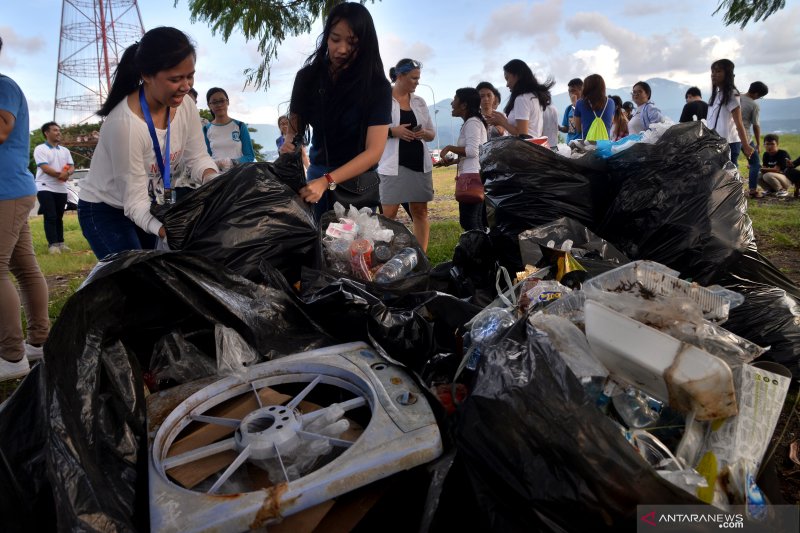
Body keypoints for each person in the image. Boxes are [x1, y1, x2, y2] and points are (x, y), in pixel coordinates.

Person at [78, 27, 218, 260]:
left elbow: (197, 158)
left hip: (149, 204)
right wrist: (174, 233)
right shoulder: (124, 125)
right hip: (106, 209)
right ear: (146, 75)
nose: (186, 86)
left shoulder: (185, 105)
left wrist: (216, 185)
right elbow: (134, 203)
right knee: (138, 279)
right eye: (175, 79)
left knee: (158, 275)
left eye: (190, 76)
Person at [280, 2, 392, 222]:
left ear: (365, 44)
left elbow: (374, 151)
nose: (341, 49)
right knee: (317, 244)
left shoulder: (377, 86)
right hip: (317, 175)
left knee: (357, 250)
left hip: (359, 183)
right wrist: (289, 144)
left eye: (352, 42)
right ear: (326, 38)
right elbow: (294, 130)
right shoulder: (307, 78)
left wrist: (327, 180)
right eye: (335, 39)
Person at [0, 35, 49, 381]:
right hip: (12, 190)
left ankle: (10, 355)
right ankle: (38, 343)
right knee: (25, 268)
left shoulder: (3, 86)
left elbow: (2, 129)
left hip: (5, 192)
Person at [378, 58, 435, 251]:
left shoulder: (419, 102)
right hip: (392, 165)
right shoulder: (382, 99)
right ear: (400, 76)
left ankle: (421, 257)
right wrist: (393, 132)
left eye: (418, 78)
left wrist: (424, 133)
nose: (417, 82)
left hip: (419, 163)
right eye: (414, 78)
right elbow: (370, 131)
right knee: (388, 216)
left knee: (420, 212)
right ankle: (383, 256)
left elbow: (431, 134)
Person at [438, 88, 488, 231]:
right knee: (475, 221)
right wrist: (452, 161)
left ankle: (478, 252)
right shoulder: (473, 122)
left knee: (470, 222)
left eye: (455, 100)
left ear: (464, 105)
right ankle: (481, 251)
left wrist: (449, 147)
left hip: (472, 178)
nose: (452, 104)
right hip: (474, 173)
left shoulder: (472, 122)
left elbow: (473, 151)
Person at [33, 121, 75, 254]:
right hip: (44, 187)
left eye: (59, 130)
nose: (59, 132)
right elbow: (45, 168)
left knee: (59, 216)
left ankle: (61, 243)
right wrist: (61, 175)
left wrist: (67, 173)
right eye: (55, 130)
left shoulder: (65, 150)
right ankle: (53, 245)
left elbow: (71, 166)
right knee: (50, 216)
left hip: (61, 188)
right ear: (47, 133)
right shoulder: (40, 149)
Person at [486, 59, 553, 138]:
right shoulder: (534, 97)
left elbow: (522, 134)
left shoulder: (522, 99)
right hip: (535, 146)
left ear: (517, 76)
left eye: (507, 79)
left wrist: (503, 122)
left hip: (524, 149)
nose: (507, 84)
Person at [707, 58, 754, 165]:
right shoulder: (715, 96)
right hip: (715, 142)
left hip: (729, 143)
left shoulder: (731, 94)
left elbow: (739, 122)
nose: (713, 75)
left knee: (730, 176)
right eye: (712, 72)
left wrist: (746, 146)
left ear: (727, 74)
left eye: (718, 71)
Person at [202, 87, 256, 172]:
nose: (219, 105)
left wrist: (233, 162)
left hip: (238, 175)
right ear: (209, 105)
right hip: (216, 177)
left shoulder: (240, 126)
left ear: (227, 102)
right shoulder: (206, 129)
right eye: (214, 102)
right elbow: (206, 157)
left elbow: (249, 156)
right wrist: (215, 164)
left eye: (222, 100)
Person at [740, 81, 769, 198]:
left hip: (729, 136)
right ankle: (752, 190)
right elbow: (756, 126)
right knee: (755, 164)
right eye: (761, 96)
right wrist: (758, 143)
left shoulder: (736, 97)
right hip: (745, 137)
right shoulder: (754, 105)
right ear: (756, 94)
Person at [573, 74, 615, 141]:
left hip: (588, 147)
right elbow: (610, 123)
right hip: (605, 146)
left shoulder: (580, 103)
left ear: (586, 87)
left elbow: (578, 129)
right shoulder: (611, 103)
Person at [559, 78, 583, 144]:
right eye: (569, 91)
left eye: (573, 91)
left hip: (581, 145)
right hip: (569, 145)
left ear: (581, 91)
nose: (571, 94)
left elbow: (581, 129)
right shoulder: (569, 109)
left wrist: (575, 105)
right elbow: (568, 128)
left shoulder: (586, 108)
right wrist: (559, 128)